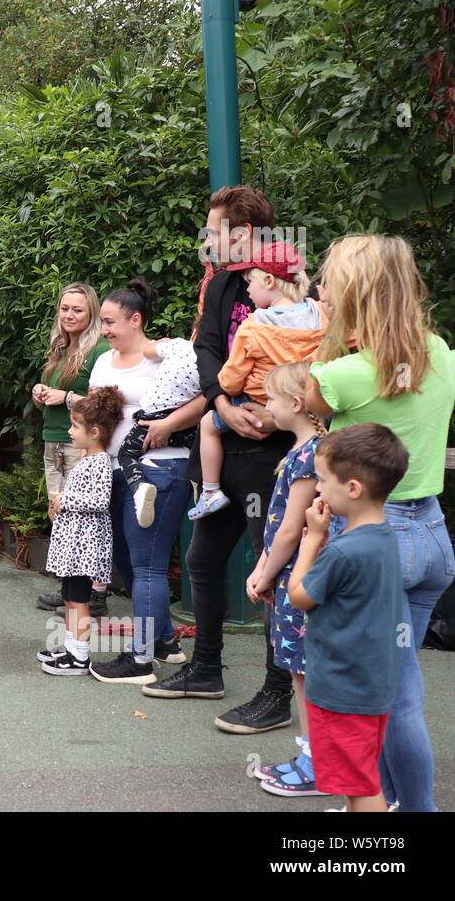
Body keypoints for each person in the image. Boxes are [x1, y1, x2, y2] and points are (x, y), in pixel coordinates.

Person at [305, 234, 455, 812]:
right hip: (431, 533)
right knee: (394, 686)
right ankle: (389, 801)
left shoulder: (342, 373)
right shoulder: (439, 352)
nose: (322, 287)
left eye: (331, 281)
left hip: (375, 537)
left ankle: (416, 811)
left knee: (394, 698)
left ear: (355, 293)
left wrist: (328, 328)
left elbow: (305, 399)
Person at [144, 186, 298, 734]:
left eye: (215, 231)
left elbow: (315, 350)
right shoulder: (222, 282)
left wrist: (268, 412)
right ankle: (205, 668)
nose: (208, 240)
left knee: (271, 571)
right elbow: (207, 346)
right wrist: (220, 403)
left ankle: (277, 694)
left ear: (246, 233)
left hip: (274, 454)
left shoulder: (289, 279)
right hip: (221, 440)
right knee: (203, 561)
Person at [86, 279, 205, 685]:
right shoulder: (103, 361)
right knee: (125, 561)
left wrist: (170, 424)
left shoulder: (166, 356)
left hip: (161, 470)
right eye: (102, 322)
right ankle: (167, 641)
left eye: (110, 321)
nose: (104, 329)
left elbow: (209, 394)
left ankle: (140, 661)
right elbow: (95, 418)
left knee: (148, 566)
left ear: (136, 320)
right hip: (116, 471)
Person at [287, 424, 409, 812]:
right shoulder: (383, 537)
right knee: (359, 779)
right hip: (369, 685)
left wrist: (310, 540)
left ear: (353, 488)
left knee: (361, 786)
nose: (318, 489)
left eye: (323, 481)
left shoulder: (344, 552)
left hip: (342, 689)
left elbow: (298, 596)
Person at [190, 243, 322, 519]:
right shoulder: (318, 315)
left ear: (269, 281)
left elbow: (231, 378)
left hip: (255, 402)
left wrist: (225, 391)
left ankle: (210, 491)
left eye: (251, 282)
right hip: (304, 404)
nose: (248, 290)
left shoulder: (253, 326)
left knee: (207, 425)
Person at [243, 362, 325, 796]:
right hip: (291, 574)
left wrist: (262, 572)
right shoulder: (304, 450)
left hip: (297, 575)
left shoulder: (310, 454)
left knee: (304, 670)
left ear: (296, 404)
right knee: (298, 669)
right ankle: (313, 757)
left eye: (271, 398)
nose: (266, 405)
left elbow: (292, 528)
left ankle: (318, 764)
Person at [31, 283, 110, 614]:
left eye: (77, 309)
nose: (69, 315)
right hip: (52, 437)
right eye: (65, 309)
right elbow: (55, 397)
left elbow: (104, 405)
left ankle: (95, 595)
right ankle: (70, 589)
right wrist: (40, 393)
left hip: (79, 443)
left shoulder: (99, 349)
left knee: (82, 518)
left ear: (90, 312)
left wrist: (65, 398)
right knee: (59, 513)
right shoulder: (61, 346)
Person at [36, 387, 123, 675]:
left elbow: (100, 500)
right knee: (71, 598)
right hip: (75, 545)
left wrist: (65, 500)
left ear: (95, 432)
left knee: (80, 600)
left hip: (85, 547)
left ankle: (80, 656)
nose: (71, 432)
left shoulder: (99, 462)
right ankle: (72, 648)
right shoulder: (87, 459)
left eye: (75, 426)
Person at [116, 335, 200, 528]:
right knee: (200, 442)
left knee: (126, 453)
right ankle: (200, 479)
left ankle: (140, 487)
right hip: (185, 424)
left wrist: (161, 343)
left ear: (194, 334)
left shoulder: (178, 345)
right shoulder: (215, 361)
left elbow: (147, 351)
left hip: (152, 419)